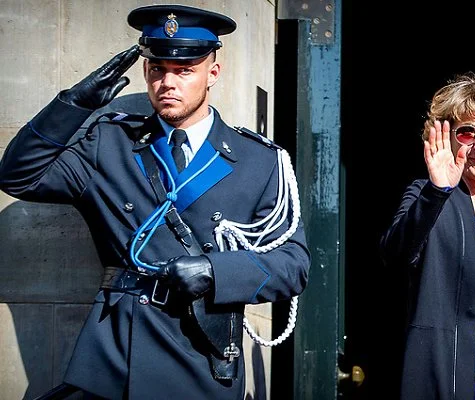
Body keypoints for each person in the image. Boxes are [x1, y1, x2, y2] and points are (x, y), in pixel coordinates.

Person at [0, 4, 310, 400]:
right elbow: (19, 176)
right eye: (158, 69)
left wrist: (216, 271)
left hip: (200, 356)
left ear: (212, 73)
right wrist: (72, 104)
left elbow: (293, 266)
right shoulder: (109, 144)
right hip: (115, 356)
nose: (168, 82)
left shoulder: (259, 161)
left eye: (184, 71)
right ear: (146, 72)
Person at [379, 72, 475, 400]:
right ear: (448, 138)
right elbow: (394, 255)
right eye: (467, 132)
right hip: (447, 381)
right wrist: (437, 191)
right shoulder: (428, 195)